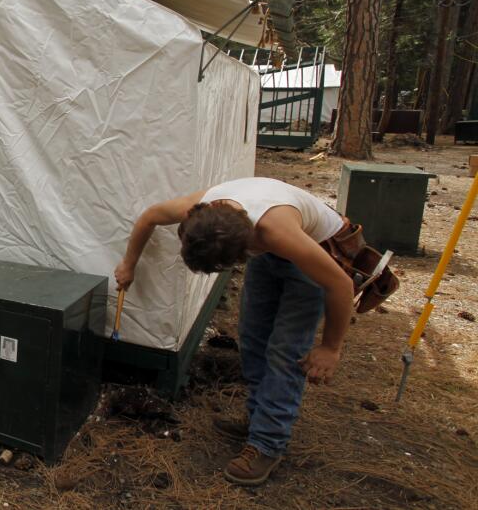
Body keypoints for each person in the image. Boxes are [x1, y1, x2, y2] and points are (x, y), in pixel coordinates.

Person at [115, 176, 355, 486]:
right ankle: (258, 419)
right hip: (269, 253)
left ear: (245, 249)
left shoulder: (276, 231)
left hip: (315, 252)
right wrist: (129, 264)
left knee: (284, 352)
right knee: (253, 340)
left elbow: (340, 285)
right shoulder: (201, 208)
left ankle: (267, 443)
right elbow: (150, 216)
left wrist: (331, 347)